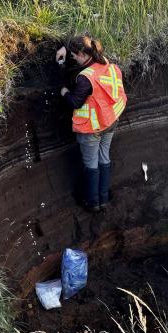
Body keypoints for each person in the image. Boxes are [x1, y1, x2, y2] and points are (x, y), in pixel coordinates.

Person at [56, 34, 127, 212]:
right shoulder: (103, 61)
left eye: (74, 55)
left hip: (92, 129)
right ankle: (103, 198)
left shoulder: (84, 78)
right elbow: (83, 38)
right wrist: (65, 47)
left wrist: (64, 91)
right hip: (111, 120)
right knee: (104, 158)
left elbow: (75, 102)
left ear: (81, 53)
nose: (73, 59)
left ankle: (93, 203)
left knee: (91, 164)